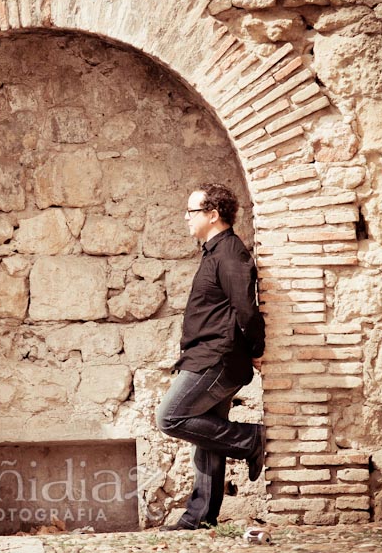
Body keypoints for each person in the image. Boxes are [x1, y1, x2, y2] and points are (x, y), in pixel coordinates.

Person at [155, 182, 266, 530]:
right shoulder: (215, 252)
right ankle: (200, 516)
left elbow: (247, 310)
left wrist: (256, 350)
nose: (186, 218)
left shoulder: (231, 253)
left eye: (191, 211)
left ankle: (253, 440)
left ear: (213, 215)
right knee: (207, 436)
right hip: (207, 355)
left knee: (169, 417)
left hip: (216, 359)